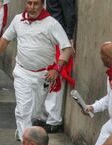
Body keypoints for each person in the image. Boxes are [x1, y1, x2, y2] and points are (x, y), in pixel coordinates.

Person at [0, 0, 73, 141]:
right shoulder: (17, 20)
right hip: (22, 73)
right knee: (23, 110)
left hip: (44, 76)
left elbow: (67, 49)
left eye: (36, 4)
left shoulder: (52, 23)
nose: (32, 7)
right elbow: (5, 39)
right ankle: (25, 143)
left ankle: (23, 132)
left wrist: (57, 69)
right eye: (29, 3)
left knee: (34, 114)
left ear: (42, 4)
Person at [43, 0, 77, 133]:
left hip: (59, 37)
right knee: (47, 76)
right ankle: (45, 116)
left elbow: (70, 14)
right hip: (48, 35)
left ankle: (53, 119)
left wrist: (68, 38)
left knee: (56, 78)